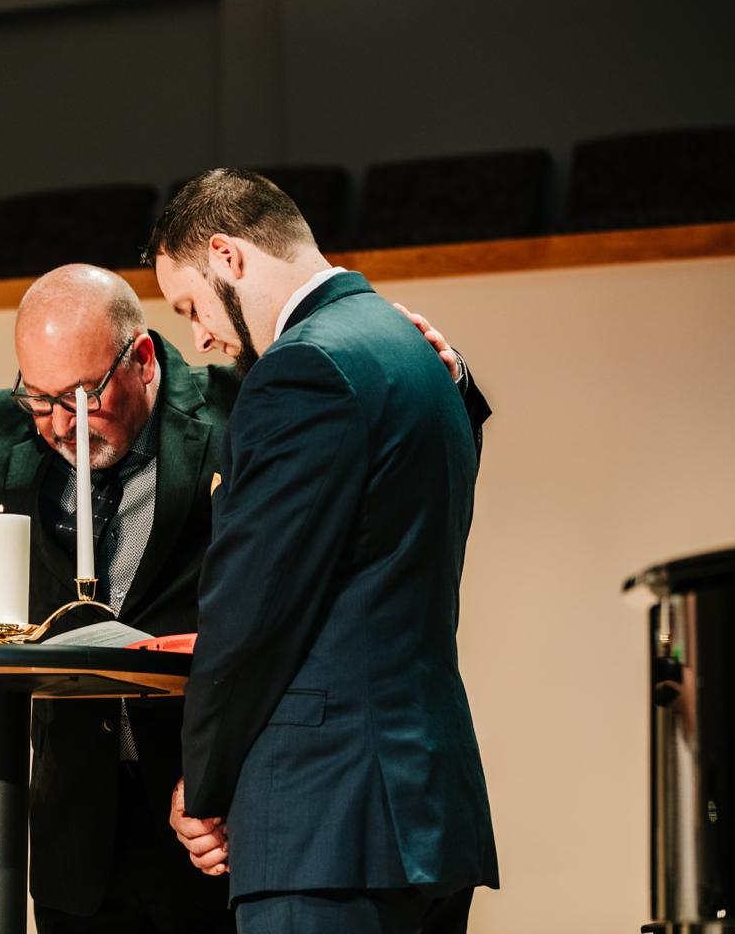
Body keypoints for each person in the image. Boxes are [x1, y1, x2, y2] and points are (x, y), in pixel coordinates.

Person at [0, 260, 488, 933]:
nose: (57, 423)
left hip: (214, 819)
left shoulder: (245, 403)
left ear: (144, 359)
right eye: (36, 399)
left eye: (82, 396)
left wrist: (451, 383)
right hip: (80, 833)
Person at [149, 168, 499, 934]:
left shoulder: (300, 372)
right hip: (426, 808)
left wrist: (202, 789)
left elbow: (251, 610)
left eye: (190, 306)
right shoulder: (417, 351)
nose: (200, 336)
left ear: (228, 255)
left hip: (328, 819)